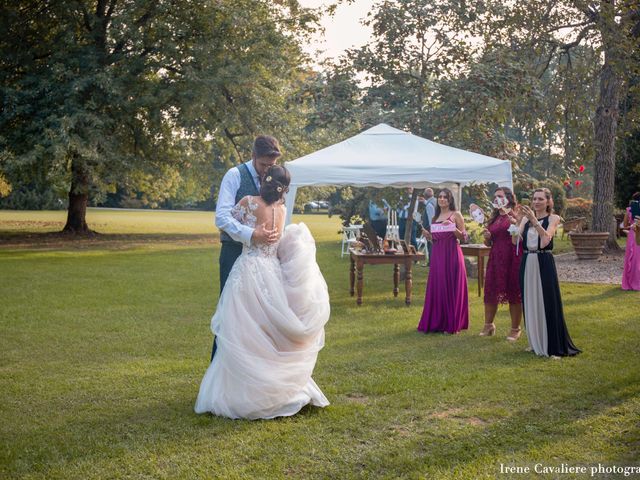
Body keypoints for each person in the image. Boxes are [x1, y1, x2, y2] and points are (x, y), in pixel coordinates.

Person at [195, 165, 331, 419]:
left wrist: (249, 233)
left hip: (248, 270)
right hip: (272, 272)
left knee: (242, 331)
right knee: (268, 331)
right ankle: (274, 390)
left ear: (264, 181)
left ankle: (242, 392)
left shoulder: (249, 202)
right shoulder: (281, 210)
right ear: (284, 189)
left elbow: (225, 225)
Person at [211, 135, 281, 360]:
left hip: (262, 261)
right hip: (233, 253)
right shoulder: (234, 175)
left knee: (259, 317)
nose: (266, 171)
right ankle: (221, 372)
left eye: (271, 166)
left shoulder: (273, 177)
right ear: (253, 156)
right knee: (230, 314)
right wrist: (252, 234)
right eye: (263, 165)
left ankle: (254, 374)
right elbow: (221, 217)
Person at [513, 188, 580, 357]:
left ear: (548, 201)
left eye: (540, 199)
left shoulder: (553, 218)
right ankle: (534, 341)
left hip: (544, 262)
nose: (536, 202)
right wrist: (517, 223)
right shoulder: (526, 220)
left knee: (547, 300)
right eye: (534, 198)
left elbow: (545, 241)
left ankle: (552, 344)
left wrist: (534, 221)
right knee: (529, 300)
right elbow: (515, 241)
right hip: (527, 261)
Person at [417, 188, 469, 334]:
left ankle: (451, 324)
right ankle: (437, 321)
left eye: (445, 197)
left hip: (452, 254)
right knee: (439, 286)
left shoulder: (456, 214)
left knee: (451, 286)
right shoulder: (435, 217)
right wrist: (428, 236)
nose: (442, 199)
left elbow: (464, 238)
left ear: (450, 199)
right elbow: (435, 240)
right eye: (440, 197)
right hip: (438, 255)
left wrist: (452, 227)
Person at [478, 187, 524, 340]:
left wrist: (515, 223)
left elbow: (519, 236)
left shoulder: (516, 214)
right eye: (495, 197)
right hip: (495, 258)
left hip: (512, 257)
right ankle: (488, 325)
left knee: (513, 292)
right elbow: (489, 243)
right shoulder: (495, 216)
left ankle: (515, 328)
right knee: (491, 291)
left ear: (509, 198)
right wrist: (487, 237)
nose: (496, 199)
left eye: (500, 196)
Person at [622, 192, 640, 291]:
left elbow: (624, 226)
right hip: (635, 235)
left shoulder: (629, 210)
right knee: (636, 260)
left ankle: (630, 282)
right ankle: (636, 282)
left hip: (632, 235)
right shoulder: (629, 210)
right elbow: (625, 226)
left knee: (633, 259)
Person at [418, 188, 437, 262]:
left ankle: (431, 262)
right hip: (433, 227)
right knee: (431, 245)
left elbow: (431, 218)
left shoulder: (430, 204)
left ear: (425, 195)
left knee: (431, 246)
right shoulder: (434, 201)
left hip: (431, 228)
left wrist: (429, 230)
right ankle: (432, 261)